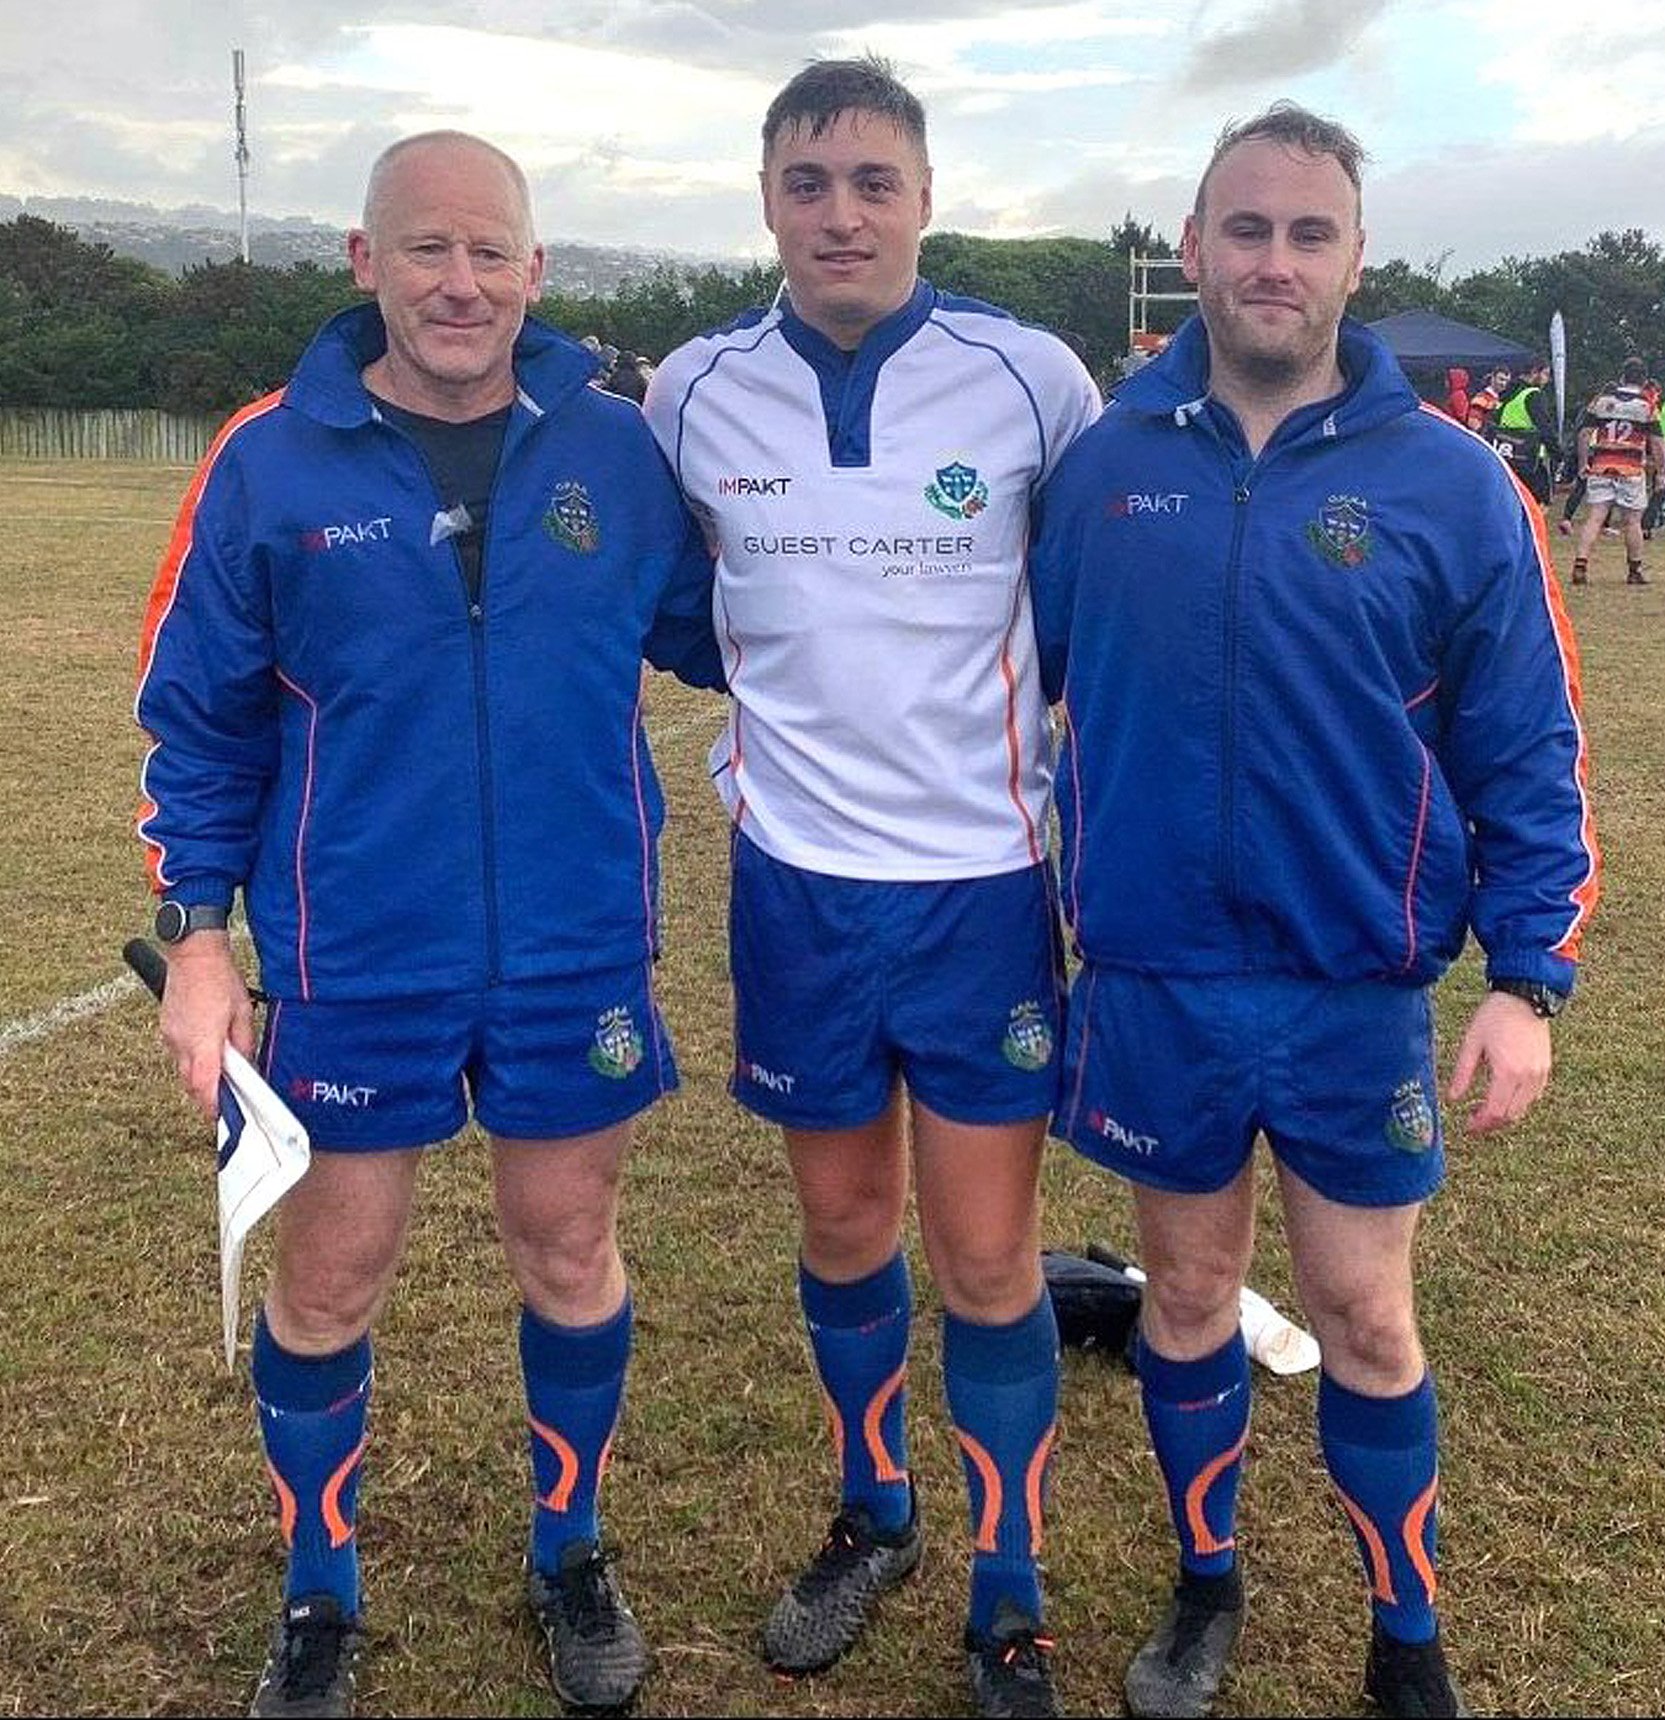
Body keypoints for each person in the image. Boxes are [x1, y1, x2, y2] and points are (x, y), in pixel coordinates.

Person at [134, 131, 721, 1719]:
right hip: (355, 956)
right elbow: (196, 724)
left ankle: (570, 1551)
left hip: (576, 944)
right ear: (365, 261)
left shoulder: (616, 452)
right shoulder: (269, 459)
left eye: (489, 252)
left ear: (536, 269)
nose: (460, 284)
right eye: (426, 249)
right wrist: (198, 939)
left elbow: (737, 635)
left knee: (570, 1247)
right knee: (330, 1281)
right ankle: (319, 1592)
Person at [1029, 101, 1598, 1719]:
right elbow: (1017, 690)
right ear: (1193, 249)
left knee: (1362, 1310)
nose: (1274, 261)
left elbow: (1528, 747)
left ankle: (1404, 1634)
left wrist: (1526, 980)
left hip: (1353, 987)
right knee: (1186, 1302)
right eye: (1246, 229)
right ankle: (1204, 1582)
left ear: (1355, 257)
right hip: (1155, 979)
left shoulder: (1455, 484)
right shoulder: (1102, 469)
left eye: (1309, 232)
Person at [644, 55, 1100, 1719]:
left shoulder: (1031, 378)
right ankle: (875, 1508)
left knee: (984, 1256)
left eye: (873, 183)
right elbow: (678, 610)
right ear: (767, 198)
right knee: (842, 1225)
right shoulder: (691, 390)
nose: (841, 214)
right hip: (798, 890)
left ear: (924, 198)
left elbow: (1091, 602)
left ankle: (1009, 1588)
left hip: (981, 889)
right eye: (808, 183)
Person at [1569, 358, 1663, 584]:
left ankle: (1580, 565)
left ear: (1622, 376)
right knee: (1632, 521)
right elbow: (1657, 443)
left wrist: (1583, 463)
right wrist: (1661, 472)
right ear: (1643, 380)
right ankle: (1634, 570)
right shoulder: (1647, 405)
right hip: (1631, 469)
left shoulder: (1601, 401)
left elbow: (1584, 433)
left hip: (1601, 466)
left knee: (1595, 517)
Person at [1490, 357, 1560, 505]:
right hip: (1530, 458)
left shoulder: (1507, 393)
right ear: (1535, 372)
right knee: (1538, 503)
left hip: (1506, 455)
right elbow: (1545, 427)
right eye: (1546, 374)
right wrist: (1558, 454)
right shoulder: (1533, 394)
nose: (1547, 380)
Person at [1463, 362, 1510, 435]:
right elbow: (1472, 424)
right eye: (1501, 379)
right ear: (1492, 378)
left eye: (1506, 381)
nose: (1504, 384)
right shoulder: (1481, 398)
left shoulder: (1496, 399)